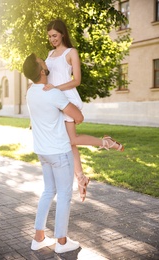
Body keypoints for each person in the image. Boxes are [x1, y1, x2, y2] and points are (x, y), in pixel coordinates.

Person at [43, 19, 124, 202]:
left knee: (71, 140)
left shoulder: (72, 52)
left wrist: (55, 89)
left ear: (62, 34)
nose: (52, 39)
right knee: (69, 143)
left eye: (54, 35)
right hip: (55, 101)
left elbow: (76, 81)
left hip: (67, 98)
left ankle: (106, 142)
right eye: (49, 36)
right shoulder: (49, 54)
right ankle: (81, 178)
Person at [23, 53, 84, 253]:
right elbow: (79, 117)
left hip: (43, 153)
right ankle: (62, 243)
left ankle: (38, 238)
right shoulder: (53, 93)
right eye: (42, 61)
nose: (45, 61)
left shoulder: (30, 92)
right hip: (59, 152)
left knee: (49, 191)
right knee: (64, 195)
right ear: (42, 71)